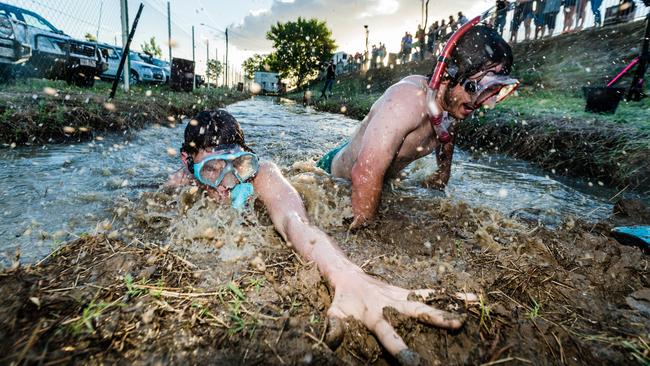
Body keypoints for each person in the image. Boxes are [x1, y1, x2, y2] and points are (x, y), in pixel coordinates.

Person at [167, 110, 472, 364]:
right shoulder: (179, 185)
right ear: (187, 161)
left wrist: (346, 274)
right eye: (211, 172)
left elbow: (294, 221)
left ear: (248, 159)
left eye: (237, 167)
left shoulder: (263, 175)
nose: (226, 185)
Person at [315, 26, 518, 228]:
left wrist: (442, 174)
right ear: (449, 74)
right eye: (479, 88)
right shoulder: (405, 102)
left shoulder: (452, 107)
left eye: (493, 91)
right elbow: (364, 173)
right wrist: (368, 233)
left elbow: (446, 136)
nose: (484, 101)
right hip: (333, 175)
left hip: (377, 174)